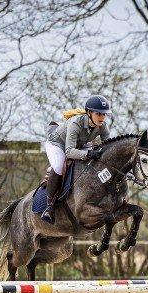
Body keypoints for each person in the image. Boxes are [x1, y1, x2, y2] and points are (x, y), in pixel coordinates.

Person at [41, 94, 112, 224]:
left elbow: (107, 148)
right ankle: (49, 206)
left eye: (104, 114)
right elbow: (69, 152)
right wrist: (88, 154)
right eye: (98, 114)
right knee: (58, 166)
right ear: (89, 112)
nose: (102, 117)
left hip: (78, 146)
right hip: (57, 144)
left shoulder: (103, 126)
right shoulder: (76, 123)